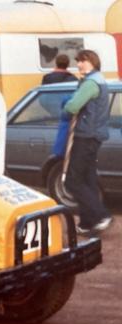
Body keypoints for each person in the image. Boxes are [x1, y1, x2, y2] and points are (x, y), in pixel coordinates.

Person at [63, 49, 112, 234]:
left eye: (83, 61)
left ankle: (101, 215)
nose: (80, 64)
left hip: (85, 136)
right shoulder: (99, 80)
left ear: (93, 61)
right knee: (88, 180)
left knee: (72, 181)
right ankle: (87, 222)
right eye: (78, 61)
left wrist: (65, 108)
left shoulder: (91, 83)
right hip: (94, 136)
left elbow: (73, 106)